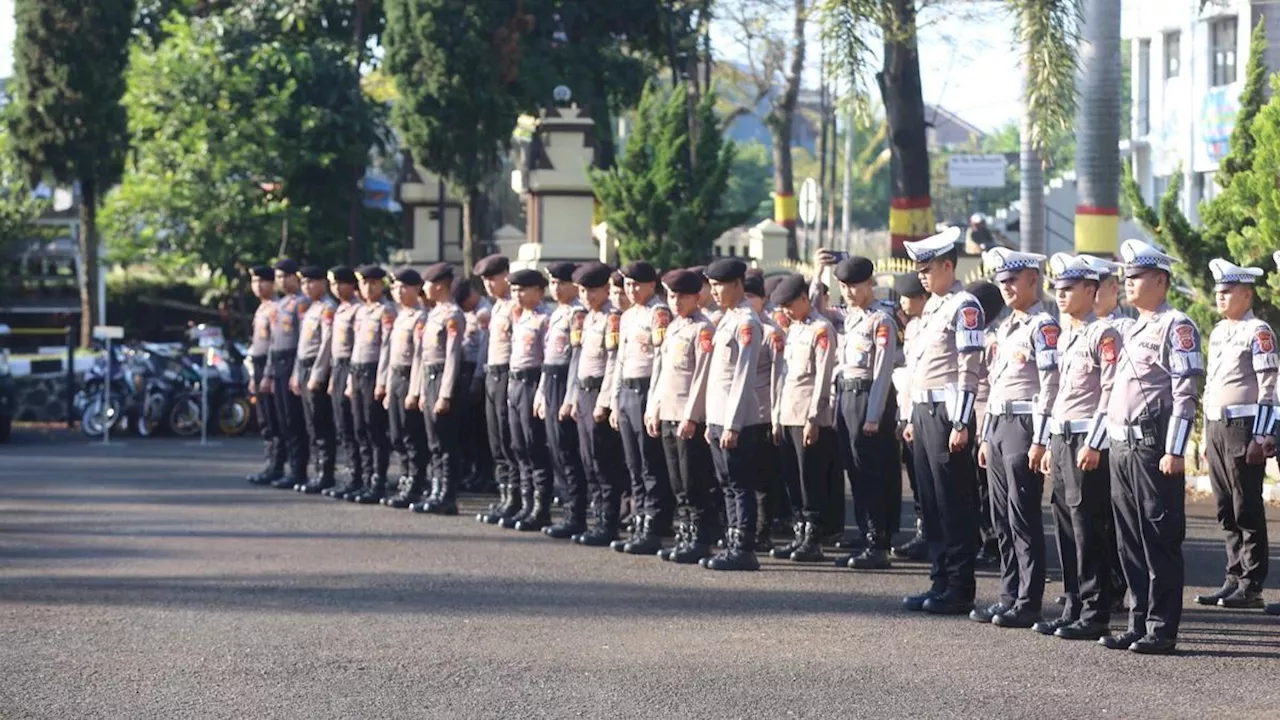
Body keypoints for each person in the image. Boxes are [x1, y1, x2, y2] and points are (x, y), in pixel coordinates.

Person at [1100, 239, 1202, 655]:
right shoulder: (1131, 326)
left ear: (1160, 280)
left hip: (1152, 447)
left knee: (1158, 537)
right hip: (1122, 447)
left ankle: (1162, 627)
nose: (1127, 282)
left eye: (1135, 276)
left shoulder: (1176, 325)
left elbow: (1185, 393)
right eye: (1125, 276)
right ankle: (1137, 620)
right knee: (1129, 541)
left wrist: (1175, 450)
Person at [1030, 253, 1123, 640]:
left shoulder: (1105, 334)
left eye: (1069, 289)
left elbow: (1109, 393)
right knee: (1066, 525)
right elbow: (1057, 394)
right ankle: (1073, 603)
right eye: (1058, 289)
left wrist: (1096, 443)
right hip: (1063, 437)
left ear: (1091, 290)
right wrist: (1048, 439)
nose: (1061, 296)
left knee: (1089, 528)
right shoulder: (1067, 335)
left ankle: (1095, 610)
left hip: (1087, 440)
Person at [970, 249, 1059, 629]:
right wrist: (986, 434)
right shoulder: (1006, 327)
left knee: (1023, 516)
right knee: (1000, 516)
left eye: (1013, 280)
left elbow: (1052, 384)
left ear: (1032, 281)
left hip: (1025, 425)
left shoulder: (1043, 327)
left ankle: (1029, 599)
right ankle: (1009, 595)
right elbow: (991, 384)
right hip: (1000, 426)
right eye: (1001, 281)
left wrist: (1041, 438)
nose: (1006, 287)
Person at [901, 227, 985, 616]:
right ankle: (939, 579)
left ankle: (960, 585)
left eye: (928, 267)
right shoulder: (932, 307)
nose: (921, 275)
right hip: (924, 411)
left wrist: (962, 421)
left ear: (948, 265)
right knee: (931, 502)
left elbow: (969, 368)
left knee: (953, 501)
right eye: (919, 269)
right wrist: (913, 416)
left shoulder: (963, 306)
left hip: (948, 412)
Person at [1193, 259, 1276, 610]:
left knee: (1247, 506)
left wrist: (1263, 435)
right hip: (1217, 426)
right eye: (1218, 292)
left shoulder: (1258, 331)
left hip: (1244, 427)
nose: (1221, 297)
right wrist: (1205, 437)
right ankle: (1232, 578)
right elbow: (1212, 382)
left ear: (1247, 293)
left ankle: (1252, 583)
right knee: (1226, 509)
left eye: (1228, 291)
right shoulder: (1219, 331)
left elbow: (1269, 386)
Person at [812, 253, 901, 570]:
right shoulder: (846, 317)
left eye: (855, 286)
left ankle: (878, 542)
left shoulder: (881, 320)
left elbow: (882, 371)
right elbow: (812, 310)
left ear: (870, 284)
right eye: (844, 286)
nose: (849, 292)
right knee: (855, 470)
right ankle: (867, 535)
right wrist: (818, 270)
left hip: (868, 397)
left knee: (870, 471)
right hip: (846, 395)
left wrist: (874, 414)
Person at [695, 258, 765, 571]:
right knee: (726, 483)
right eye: (711, 286)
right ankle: (732, 540)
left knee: (739, 484)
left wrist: (732, 423)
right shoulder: (726, 319)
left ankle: (744, 547)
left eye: (719, 286)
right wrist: (712, 419)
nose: (714, 292)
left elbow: (743, 375)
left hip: (739, 420)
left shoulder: (747, 322)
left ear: (737, 284)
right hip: (720, 417)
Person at [646, 269, 718, 563]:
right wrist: (654, 407)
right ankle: (686, 533)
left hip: (689, 416)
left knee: (693, 480)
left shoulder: (703, 329)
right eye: (671, 296)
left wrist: (691, 416)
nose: (675, 301)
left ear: (696, 297)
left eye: (681, 296)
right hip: (668, 412)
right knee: (676, 482)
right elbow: (661, 372)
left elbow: (701, 377)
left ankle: (701, 537)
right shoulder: (674, 327)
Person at [770, 273, 838, 564]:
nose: (785, 310)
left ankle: (814, 538)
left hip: (808, 416)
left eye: (789, 304)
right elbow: (784, 377)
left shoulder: (820, 329)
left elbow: (822, 378)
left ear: (803, 299)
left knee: (810, 479)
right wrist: (776, 417)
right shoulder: (794, 329)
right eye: (781, 306)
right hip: (788, 413)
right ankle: (799, 531)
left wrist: (813, 416)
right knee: (792, 479)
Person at [609, 261, 675, 554]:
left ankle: (653, 524)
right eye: (627, 284)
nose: (631, 290)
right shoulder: (627, 316)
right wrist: (614, 401)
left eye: (637, 284)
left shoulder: (659, 313)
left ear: (652, 285)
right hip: (627, 391)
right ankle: (638, 520)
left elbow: (662, 361)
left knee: (650, 465)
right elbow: (620, 362)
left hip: (648, 390)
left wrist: (655, 402)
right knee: (632, 464)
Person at [564, 262, 627, 547]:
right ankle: (596, 518)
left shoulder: (612, 319)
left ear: (605, 289)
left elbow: (614, 364)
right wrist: (574, 397)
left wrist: (604, 402)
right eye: (582, 290)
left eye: (592, 290)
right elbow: (578, 363)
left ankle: (608, 522)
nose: (587, 296)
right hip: (585, 392)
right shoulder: (587, 318)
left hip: (601, 391)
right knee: (588, 460)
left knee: (604, 462)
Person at [536, 262, 589, 538]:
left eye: (561, 283)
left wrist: (570, 397)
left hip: (568, 381)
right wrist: (541, 393)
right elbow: (548, 358)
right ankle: (566, 508)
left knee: (568, 452)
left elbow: (576, 359)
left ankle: (576, 514)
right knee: (555, 450)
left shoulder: (578, 314)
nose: (555, 288)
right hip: (552, 381)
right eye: (552, 283)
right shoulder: (558, 314)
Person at [335, 266, 395, 504]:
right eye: (364, 283)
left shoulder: (386, 311)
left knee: (374, 428)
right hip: (357, 371)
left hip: (373, 372)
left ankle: (378, 480)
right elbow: (356, 348)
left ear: (381, 285)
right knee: (359, 427)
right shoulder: (361, 312)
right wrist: (350, 379)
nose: (368, 288)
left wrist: (381, 381)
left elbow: (386, 349)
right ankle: (363, 476)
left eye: (373, 283)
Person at [410, 263, 466, 515]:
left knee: (445, 441)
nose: (424, 289)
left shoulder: (452, 314)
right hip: (430, 377)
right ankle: (435, 490)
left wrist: (445, 394)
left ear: (440, 285)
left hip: (444, 378)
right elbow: (422, 357)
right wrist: (421, 390)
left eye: (428, 284)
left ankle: (447, 494)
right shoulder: (433, 314)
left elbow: (453, 356)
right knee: (433, 441)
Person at [503, 268, 555, 531]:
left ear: (539, 291)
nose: (517, 295)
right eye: (514, 290)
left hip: (532, 382)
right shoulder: (520, 317)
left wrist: (542, 392)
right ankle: (525, 503)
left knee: (534, 446)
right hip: (514, 382)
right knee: (518, 445)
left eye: (522, 289)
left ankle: (540, 507)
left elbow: (547, 361)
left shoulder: (545, 319)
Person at [475, 255, 521, 525]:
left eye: (493, 278)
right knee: (496, 440)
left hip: (508, 374)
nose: (489, 285)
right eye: (485, 280)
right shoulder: (497, 307)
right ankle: (505, 494)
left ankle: (516, 497)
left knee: (509, 436)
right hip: (492, 374)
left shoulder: (516, 308)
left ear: (506, 275)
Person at [378, 268, 429, 509]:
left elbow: (420, 357)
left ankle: (414, 484)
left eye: (404, 287)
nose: (398, 292)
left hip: (410, 377)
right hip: (396, 377)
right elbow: (388, 355)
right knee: (397, 434)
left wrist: (415, 390)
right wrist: (387, 386)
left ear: (416, 288)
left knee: (411, 435)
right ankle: (405, 478)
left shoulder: (421, 318)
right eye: (395, 287)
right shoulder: (400, 316)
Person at [743, 269, 784, 552]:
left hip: (762, 412)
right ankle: (743, 530)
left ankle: (762, 531)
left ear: (763, 299)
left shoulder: (772, 332)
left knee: (762, 479)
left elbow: (778, 376)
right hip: (739, 413)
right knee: (741, 477)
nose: (746, 302)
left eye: (750, 297)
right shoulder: (733, 325)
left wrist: (776, 415)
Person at [261, 259, 311, 489]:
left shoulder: (303, 304)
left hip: (293, 359)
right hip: (278, 360)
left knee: (294, 418)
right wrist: (268, 373)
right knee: (281, 419)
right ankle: (284, 466)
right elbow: (272, 341)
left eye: (286, 276)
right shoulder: (279, 305)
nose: (282, 281)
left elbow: (303, 341)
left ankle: (299, 469)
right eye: (278, 277)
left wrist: (297, 371)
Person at [966, 280, 1006, 568]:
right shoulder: (975, 333)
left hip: (984, 412)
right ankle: (981, 535)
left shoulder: (993, 337)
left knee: (987, 485)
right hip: (970, 412)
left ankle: (992, 541)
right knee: (973, 483)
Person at [891, 273, 930, 560]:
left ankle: (933, 535)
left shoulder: (930, 326)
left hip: (928, 413)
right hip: (910, 411)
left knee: (932, 482)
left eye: (906, 297)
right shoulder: (914, 327)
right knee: (917, 480)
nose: (902, 303)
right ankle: (923, 532)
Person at [292, 265, 339, 494]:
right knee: (310, 423)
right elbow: (302, 345)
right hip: (303, 366)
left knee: (321, 424)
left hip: (316, 368)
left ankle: (325, 473)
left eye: (311, 282)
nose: (306, 287)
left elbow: (326, 345)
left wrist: (317, 375)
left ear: (323, 283)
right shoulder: (311, 308)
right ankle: (316, 470)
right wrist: (295, 373)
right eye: (303, 283)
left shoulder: (328, 308)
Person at [324, 266, 363, 497]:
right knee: (342, 426)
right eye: (333, 284)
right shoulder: (340, 309)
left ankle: (358, 475)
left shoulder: (358, 310)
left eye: (341, 283)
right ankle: (350, 474)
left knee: (353, 424)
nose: (336, 288)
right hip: (337, 367)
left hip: (352, 367)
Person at [246, 265, 286, 486]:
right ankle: (270, 461)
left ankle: (278, 464)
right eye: (254, 282)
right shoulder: (261, 309)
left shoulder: (277, 309)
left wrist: (268, 374)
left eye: (262, 281)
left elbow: (274, 344)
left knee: (274, 415)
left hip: (272, 365)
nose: (258, 286)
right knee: (264, 418)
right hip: (259, 364)